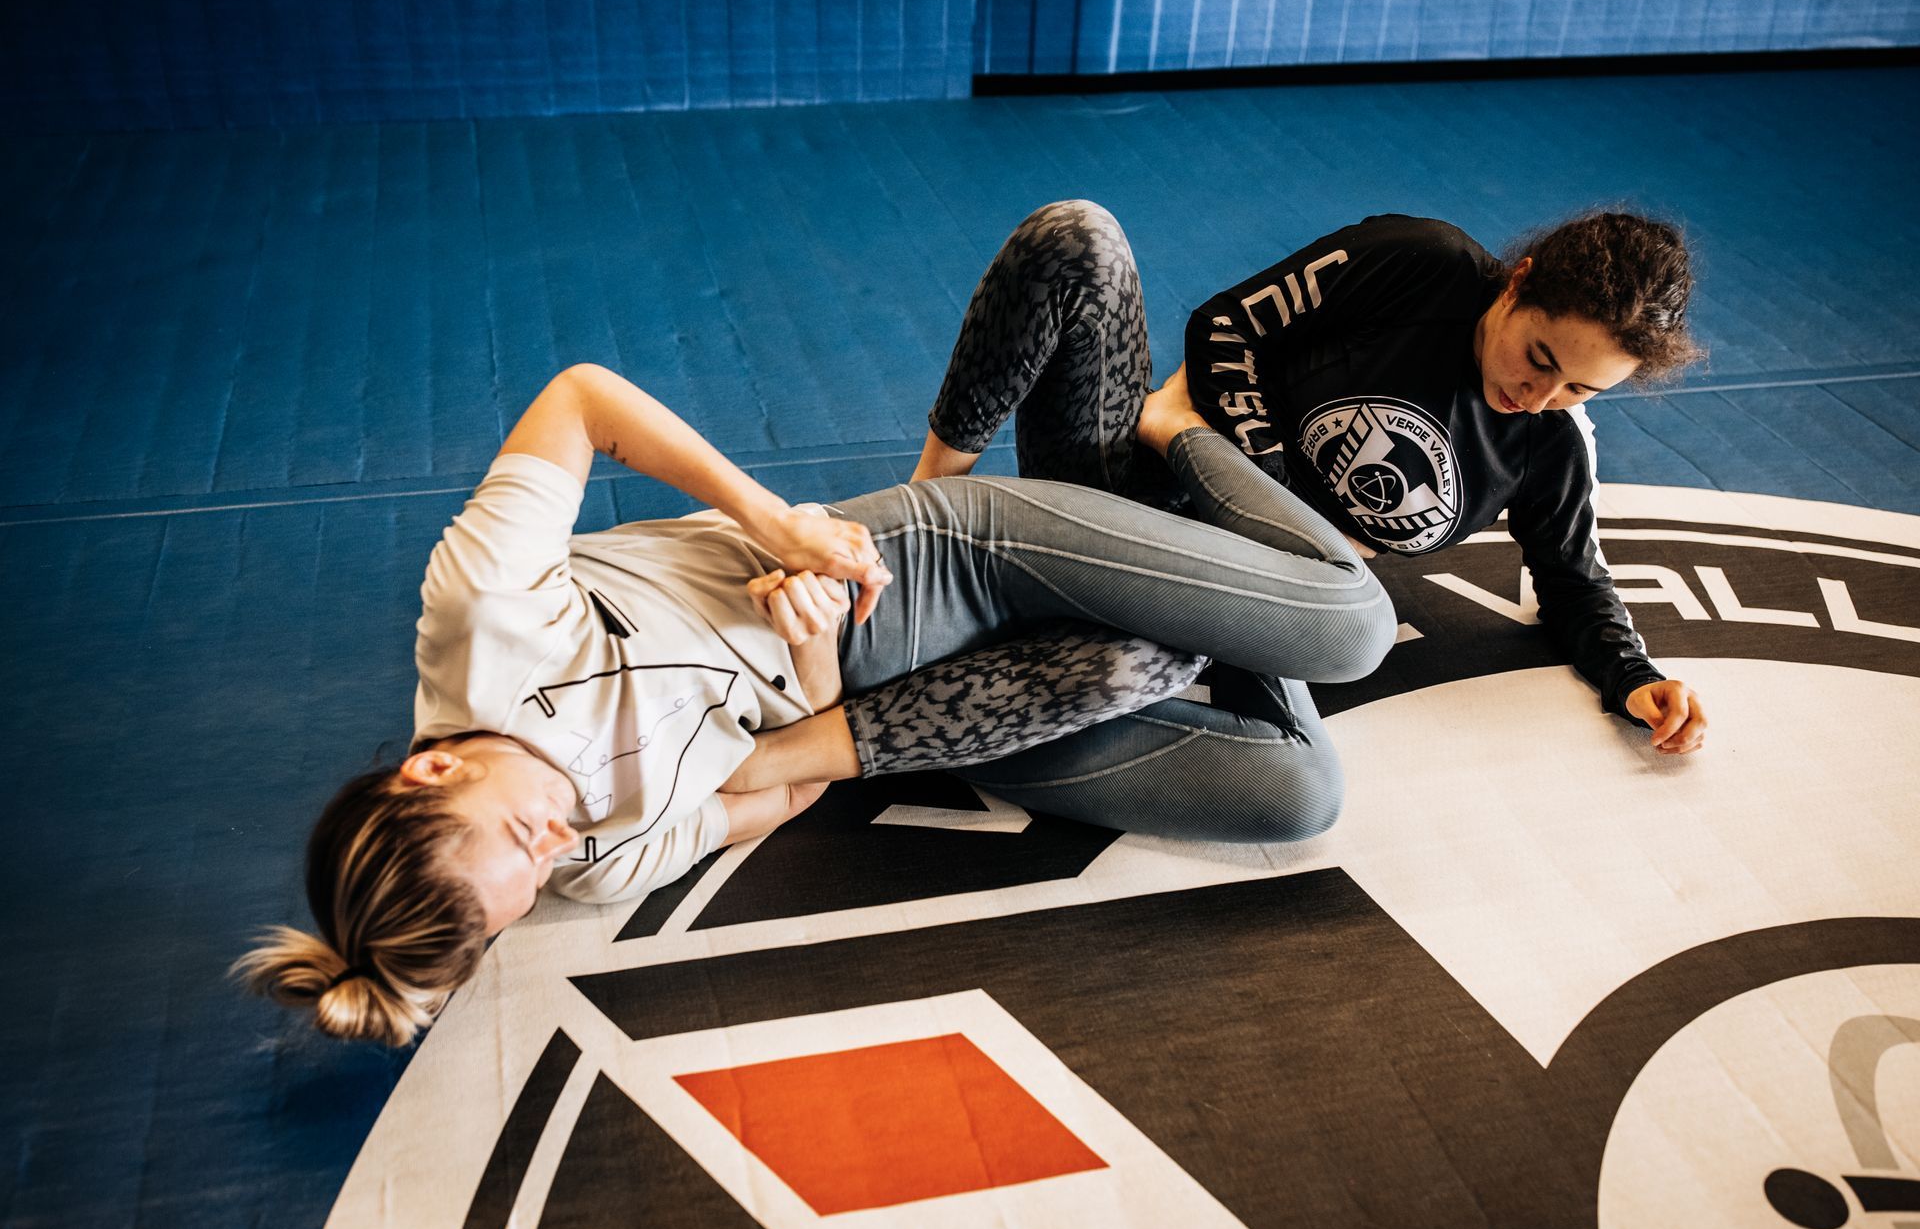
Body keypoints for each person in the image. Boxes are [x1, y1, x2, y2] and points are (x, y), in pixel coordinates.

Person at [238, 362, 1396, 1044]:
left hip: (928, 566)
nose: (558, 844)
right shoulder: (596, 864)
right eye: (529, 883)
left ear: (431, 767)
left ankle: (1173, 434)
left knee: (1350, 629)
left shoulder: (479, 616)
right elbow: (790, 785)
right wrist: (817, 685)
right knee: (1298, 792)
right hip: (908, 715)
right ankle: (1187, 590)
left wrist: (776, 524)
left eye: (517, 835)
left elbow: (585, 397)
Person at [911, 199, 1710, 760]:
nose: (1538, 395)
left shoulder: (1549, 450)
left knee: (1281, 761)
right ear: (1518, 281)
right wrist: (1247, 474)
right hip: (1125, 482)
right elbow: (1227, 326)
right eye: (1540, 357)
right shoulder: (1419, 264)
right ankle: (927, 506)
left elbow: (1573, 580)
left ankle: (956, 718)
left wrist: (1633, 676)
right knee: (1079, 236)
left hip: (1217, 601)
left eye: (1578, 388)